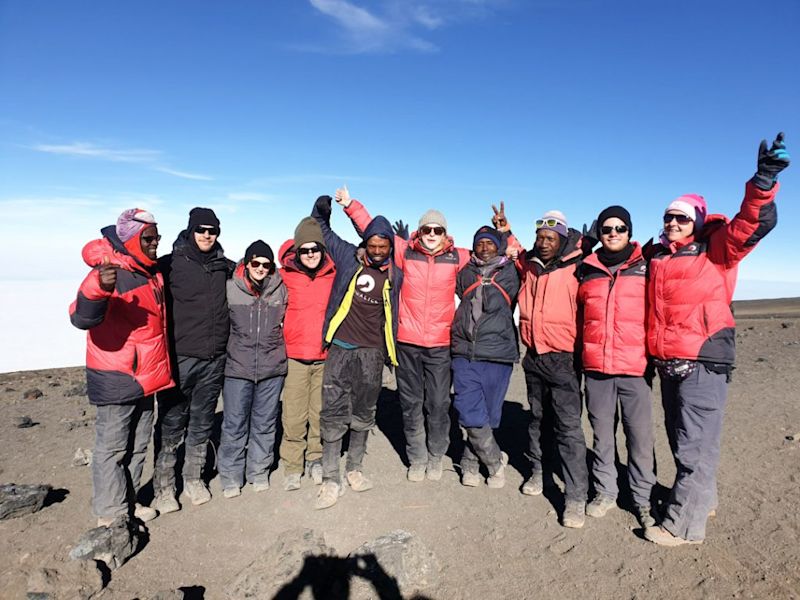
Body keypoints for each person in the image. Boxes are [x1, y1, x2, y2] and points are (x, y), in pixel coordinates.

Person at [644, 133, 789, 546]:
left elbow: (750, 224)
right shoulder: (661, 256)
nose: (673, 223)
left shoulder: (717, 248)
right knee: (682, 439)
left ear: (700, 220)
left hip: (704, 358)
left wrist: (762, 182)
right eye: (669, 217)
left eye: (683, 218)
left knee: (695, 445)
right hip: (669, 362)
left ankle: (684, 526)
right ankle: (701, 499)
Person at [335, 186, 471, 482]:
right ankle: (417, 457)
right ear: (419, 231)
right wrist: (350, 204)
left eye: (437, 230)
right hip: (407, 343)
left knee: (437, 404)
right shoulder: (405, 251)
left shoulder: (458, 257)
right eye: (427, 229)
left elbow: (493, 258)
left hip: (439, 344)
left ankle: (436, 455)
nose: (432, 234)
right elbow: (376, 231)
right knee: (410, 403)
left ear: (445, 233)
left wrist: (509, 241)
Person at [69, 208, 173, 527]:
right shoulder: (110, 270)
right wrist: (98, 286)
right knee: (112, 449)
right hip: (117, 374)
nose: (155, 242)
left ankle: (128, 503)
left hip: (146, 374)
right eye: (148, 238)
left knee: (138, 444)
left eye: (157, 236)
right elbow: (81, 317)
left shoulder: (148, 270)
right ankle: (109, 514)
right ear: (130, 240)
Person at [311, 194, 403, 509]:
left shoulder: (395, 274)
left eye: (384, 246)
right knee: (333, 409)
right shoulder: (350, 257)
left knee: (364, 411)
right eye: (372, 245)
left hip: (373, 352)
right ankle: (330, 477)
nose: (377, 252)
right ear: (365, 243)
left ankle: (354, 469)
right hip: (341, 348)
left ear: (391, 246)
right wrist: (322, 208)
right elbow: (323, 231)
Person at [502, 207, 590, 528]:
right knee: (538, 419)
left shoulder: (577, 266)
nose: (543, 242)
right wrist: (505, 229)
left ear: (562, 239)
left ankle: (576, 496)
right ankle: (540, 472)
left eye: (550, 238)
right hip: (534, 356)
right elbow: (518, 253)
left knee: (568, 427)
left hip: (564, 358)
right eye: (540, 237)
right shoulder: (531, 265)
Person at [576, 205, 656, 529]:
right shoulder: (587, 269)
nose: (613, 233)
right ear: (599, 232)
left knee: (639, 437)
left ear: (629, 232)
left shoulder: (646, 267)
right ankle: (606, 491)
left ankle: (643, 498)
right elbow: (579, 316)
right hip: (596, 369)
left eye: (619, 228)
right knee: (602, 436)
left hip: (635, 369)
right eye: (606, 228)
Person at [153, 207, 234, 513]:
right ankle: (164, 488)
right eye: (201, 230)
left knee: (202, 424)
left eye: (212, 231)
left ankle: (193, 480)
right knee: (172, 423)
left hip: (214, 360)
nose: (207, 235)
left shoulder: (223, 267)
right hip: (180, 358)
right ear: (190, 230)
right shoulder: (169, 265)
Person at [451, 226, 520, 488]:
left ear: (498, 246)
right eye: (479, 243)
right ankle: (493, 462)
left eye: (489, 243)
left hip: (498, 353)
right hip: (465, 351)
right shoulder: (464, 272)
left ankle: (469, 463)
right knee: (469, 413)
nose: (484, 247)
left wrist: (508, 233)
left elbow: (533, 259)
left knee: (489, 414)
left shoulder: (512, 272)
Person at [218, 241, 288, 497]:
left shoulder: (281, 289)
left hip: (272, 368)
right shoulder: (230, 289)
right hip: (237, 368)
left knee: (265, 423)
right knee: (234, 423)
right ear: (246, 264)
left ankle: (258, 472)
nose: (260, 268)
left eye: (265, 264)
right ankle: (231, 477)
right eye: (255, 263)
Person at [278, 218, 336, 491]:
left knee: (319, 413)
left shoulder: (334, 275)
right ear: (297, 251)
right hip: (295, 356)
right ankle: (292, 465)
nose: (310, 254)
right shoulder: (284, 275)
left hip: (325, 356)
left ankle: (315, 459)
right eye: (304, 250)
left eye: (315, 248)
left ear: (323, 249)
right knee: (293, 414)